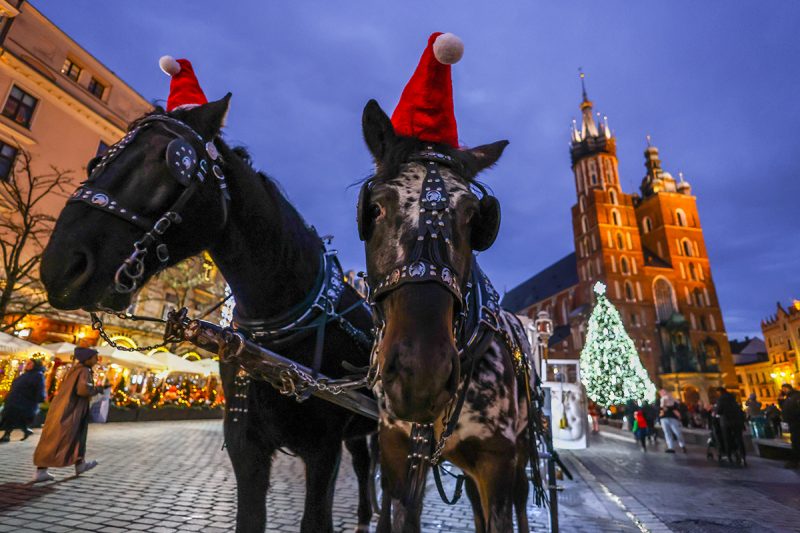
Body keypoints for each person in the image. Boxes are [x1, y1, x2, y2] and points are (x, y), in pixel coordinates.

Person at [32, 347, 109, 482]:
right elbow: (83, 389)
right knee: (64, 437)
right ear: (88, 358)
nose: (97, 360)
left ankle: (79, 463)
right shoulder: (84, 371)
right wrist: (99, 389)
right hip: (72, 410)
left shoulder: (74, 369)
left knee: (60, 436)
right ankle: (44, 470)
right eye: (95, 357)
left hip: (62, 407)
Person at [0, 358, 46, 442]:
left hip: (25, 403)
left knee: (13, 418)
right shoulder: (25, 374)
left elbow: (40, 389)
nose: (27, 365)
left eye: (30, 363)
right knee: (13, 418)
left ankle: (7, 435)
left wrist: (40, 398)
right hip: (14, 400)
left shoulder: (38, 375)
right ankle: (25, 431)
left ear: (35, 365)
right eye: (27, 363)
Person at [715, 386, 746, 464]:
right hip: (737, 421)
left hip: (726, 422)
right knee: (739, 439)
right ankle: (743, 457)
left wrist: (715, 411)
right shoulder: (733, 397)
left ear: (719, 392)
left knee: (727, 439)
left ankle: (729, 456)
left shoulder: (721, 399)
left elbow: (718, 411)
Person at [778, 383, 800, 469]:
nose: (782, 391)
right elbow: (783, 408)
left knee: (796, 442)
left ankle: (795, 461)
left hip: (796, 422)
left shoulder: (795, 396)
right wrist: (780, 399)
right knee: (795, 442)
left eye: (783, 389)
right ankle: (795, 461)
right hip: (793, 422)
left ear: (787, 388)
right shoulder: (789, 397)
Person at [658, 389, 686, 453]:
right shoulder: (661, 400)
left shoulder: (673, 400)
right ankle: (670, 447)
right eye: (661, 393)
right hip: (664, 418)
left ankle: (682, 445)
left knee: (677, 432)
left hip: (672, 418)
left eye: (663, 392)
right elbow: (660, 409)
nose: (662, 393)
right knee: (667, 433)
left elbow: (678, 407)